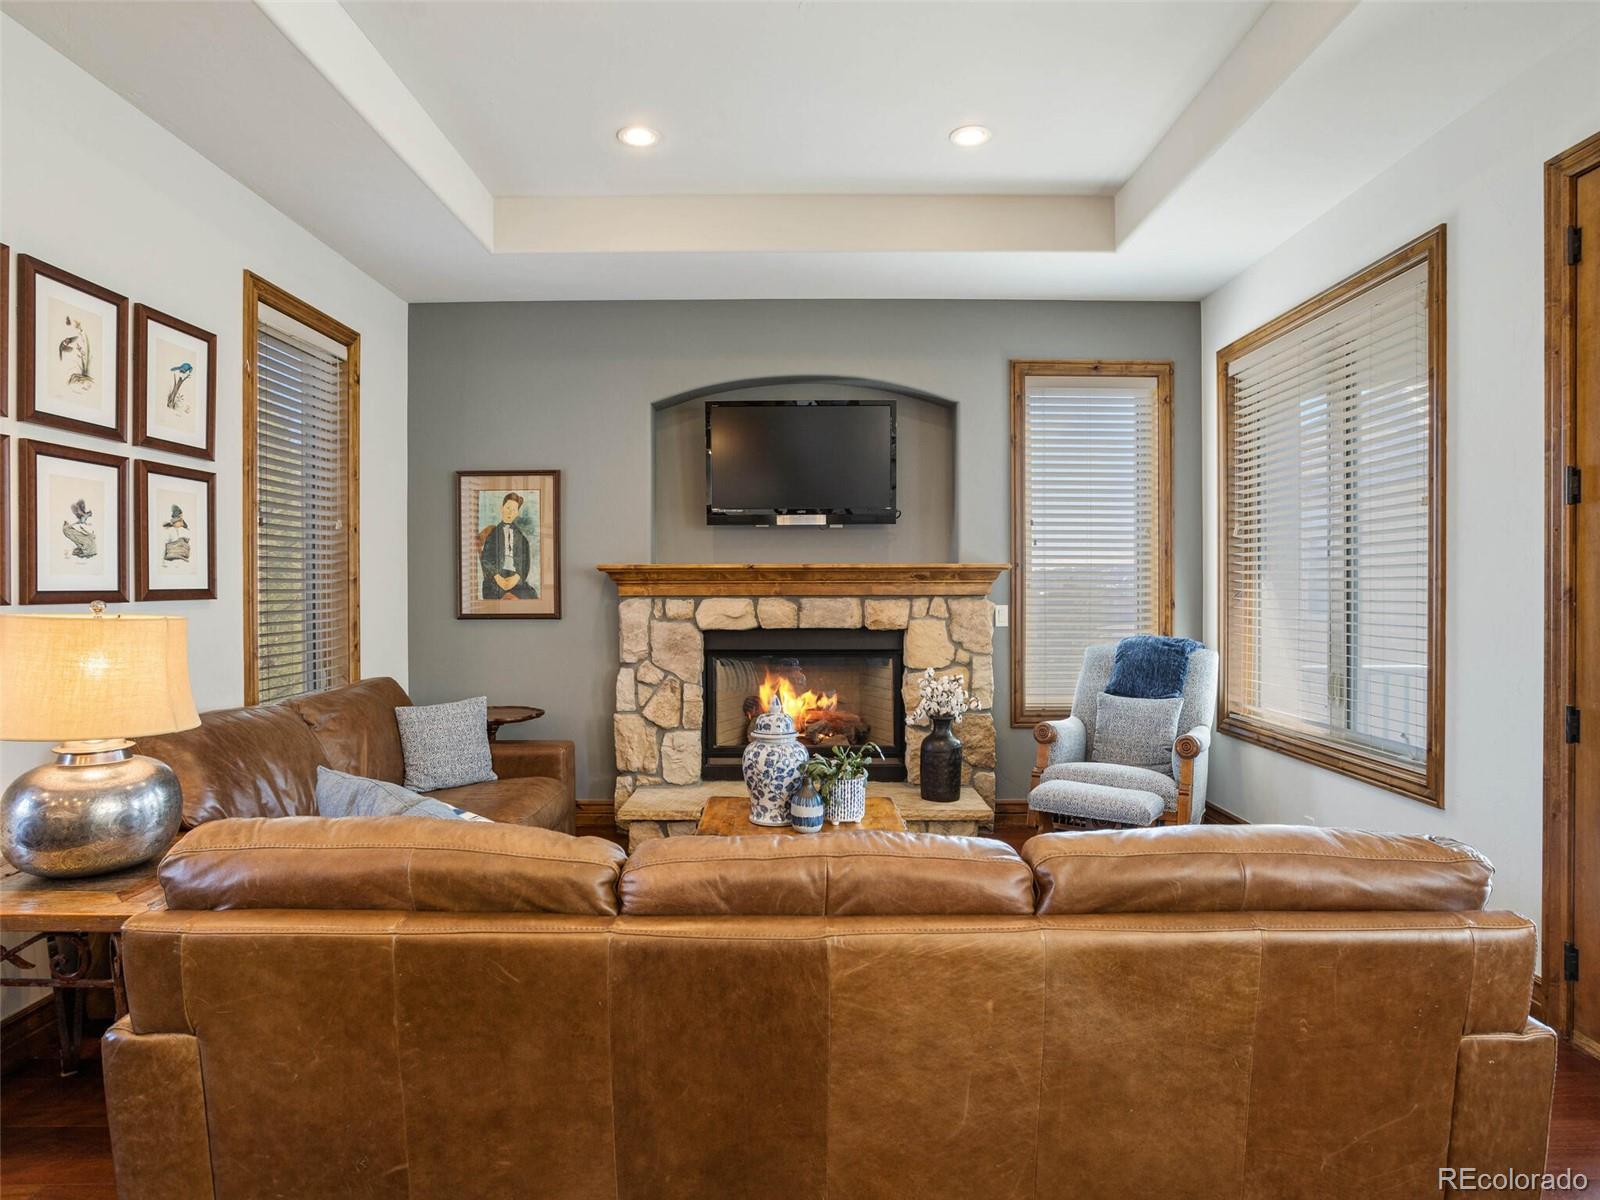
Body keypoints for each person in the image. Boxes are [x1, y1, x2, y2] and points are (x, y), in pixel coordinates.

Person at [479, 491, 539, 600]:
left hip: (515, 579)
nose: (510, 513)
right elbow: (486, 559)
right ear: (501, 508)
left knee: (532, 596)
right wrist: (498, 578)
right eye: (508, 508)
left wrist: (517, 577)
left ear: (517, 513)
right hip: (495, 578)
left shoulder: (522, 539)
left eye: (514, 510)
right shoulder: (493, 535)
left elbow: (525, 563)